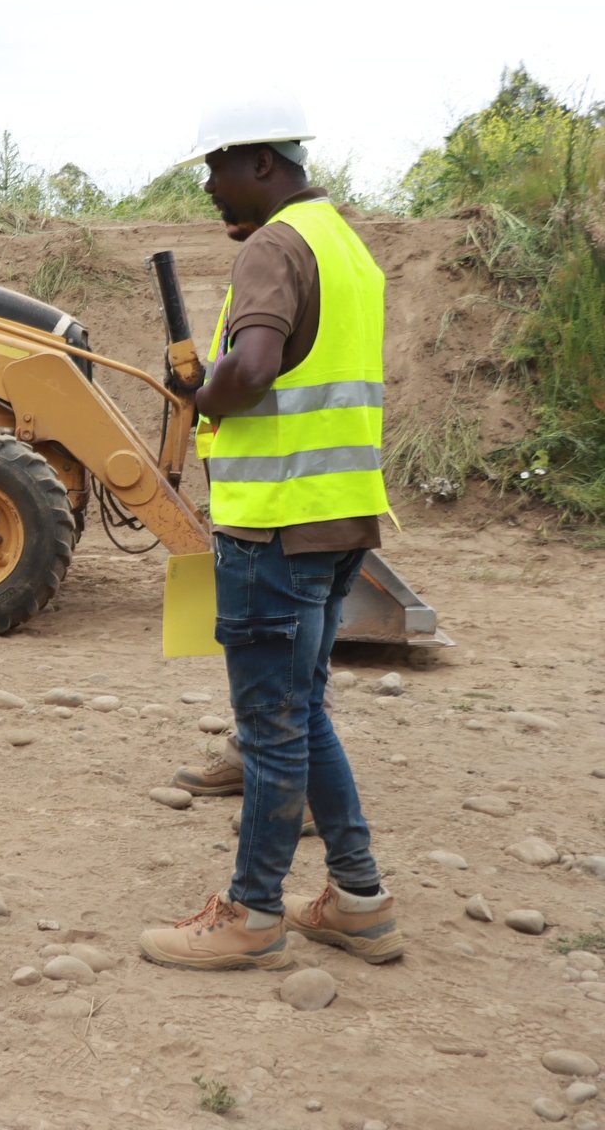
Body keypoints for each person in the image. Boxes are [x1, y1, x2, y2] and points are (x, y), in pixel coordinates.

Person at [140, 90, 405, 970]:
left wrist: (199, 394)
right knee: (303, 710)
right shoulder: (348, 249)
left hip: (275, 530)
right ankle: (359, 900)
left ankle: (253, 914)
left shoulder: (272, 247)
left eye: (217, 168)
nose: (211, 188)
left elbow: (251, 370)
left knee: (271, 725)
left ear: (262, 163)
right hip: (339, 524)